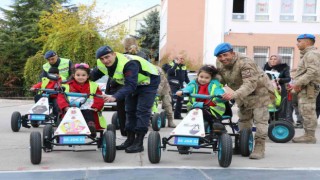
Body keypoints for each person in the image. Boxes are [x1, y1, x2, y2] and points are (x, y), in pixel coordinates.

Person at [92, 45, 160, 153]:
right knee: (129, 110)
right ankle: (130, 140)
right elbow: (90, 76)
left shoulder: (128, 63)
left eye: (107, 57)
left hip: (148, 81)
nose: (105, 60)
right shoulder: (101, 64)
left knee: (142, 111)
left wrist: (115, 96)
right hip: (131, 83)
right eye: (102, 59)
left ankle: (139, 142)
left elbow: (130, 86)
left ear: (114, 54)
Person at [215, 42, 274, 160]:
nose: (222, 58)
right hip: (242, 94)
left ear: (232, 53)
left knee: (260, 121)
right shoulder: (220, 63)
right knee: (243, 120)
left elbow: (250, 84)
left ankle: (259, 148)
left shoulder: (245, 62)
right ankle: (242, 145)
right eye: (220, 56)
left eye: (225, 55)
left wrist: (233, 94)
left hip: (259, 93)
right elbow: (220, 79)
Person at [57, 63, 105, 138]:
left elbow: (99, 97)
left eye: (83, 75)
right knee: (68, 116)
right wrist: (65, 107)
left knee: (88, 113)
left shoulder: (93, 85)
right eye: (78, 75)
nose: (80, 77)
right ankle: (65, 130)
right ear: (73, 75)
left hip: (88, 108)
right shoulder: (66, 85)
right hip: (70, 109)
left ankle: (90, 127)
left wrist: (96, 106)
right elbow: (61, 97)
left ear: (88, 76)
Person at [290, 34, 320, 144]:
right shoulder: (307, 54)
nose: (297, 44)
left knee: (308, 111)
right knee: (304, 110)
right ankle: (308, 134)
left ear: (307, 42)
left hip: (308, 88)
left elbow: (313, 72)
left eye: (299, 41)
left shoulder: (311, 54)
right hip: (305, 87)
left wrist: (297, 83)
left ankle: (310, 136)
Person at [263, 55, 291, 121]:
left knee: (279, 106)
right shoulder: (266, 67)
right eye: (271, 59)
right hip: (268, 89)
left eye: (275, 59)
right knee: (268, 106)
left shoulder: (284, 68)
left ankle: (278, 121)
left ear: (279, 60)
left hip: (279, 90)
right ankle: (268, 121)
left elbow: (288, 79)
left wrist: (280, 79)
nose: (272, 60)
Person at [162, 53, 190, 119]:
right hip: (172, 85)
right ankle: (168, 115)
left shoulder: (183, 66)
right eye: (181, 58)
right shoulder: (171, 64)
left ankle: (177, 115)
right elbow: (169, 73)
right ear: (176, 59)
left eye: (183, 59)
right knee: (172, 100)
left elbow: (186, 77)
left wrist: (190, 84)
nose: (182, 60)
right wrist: (176, 64)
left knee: (180, 101)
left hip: (180, 86)